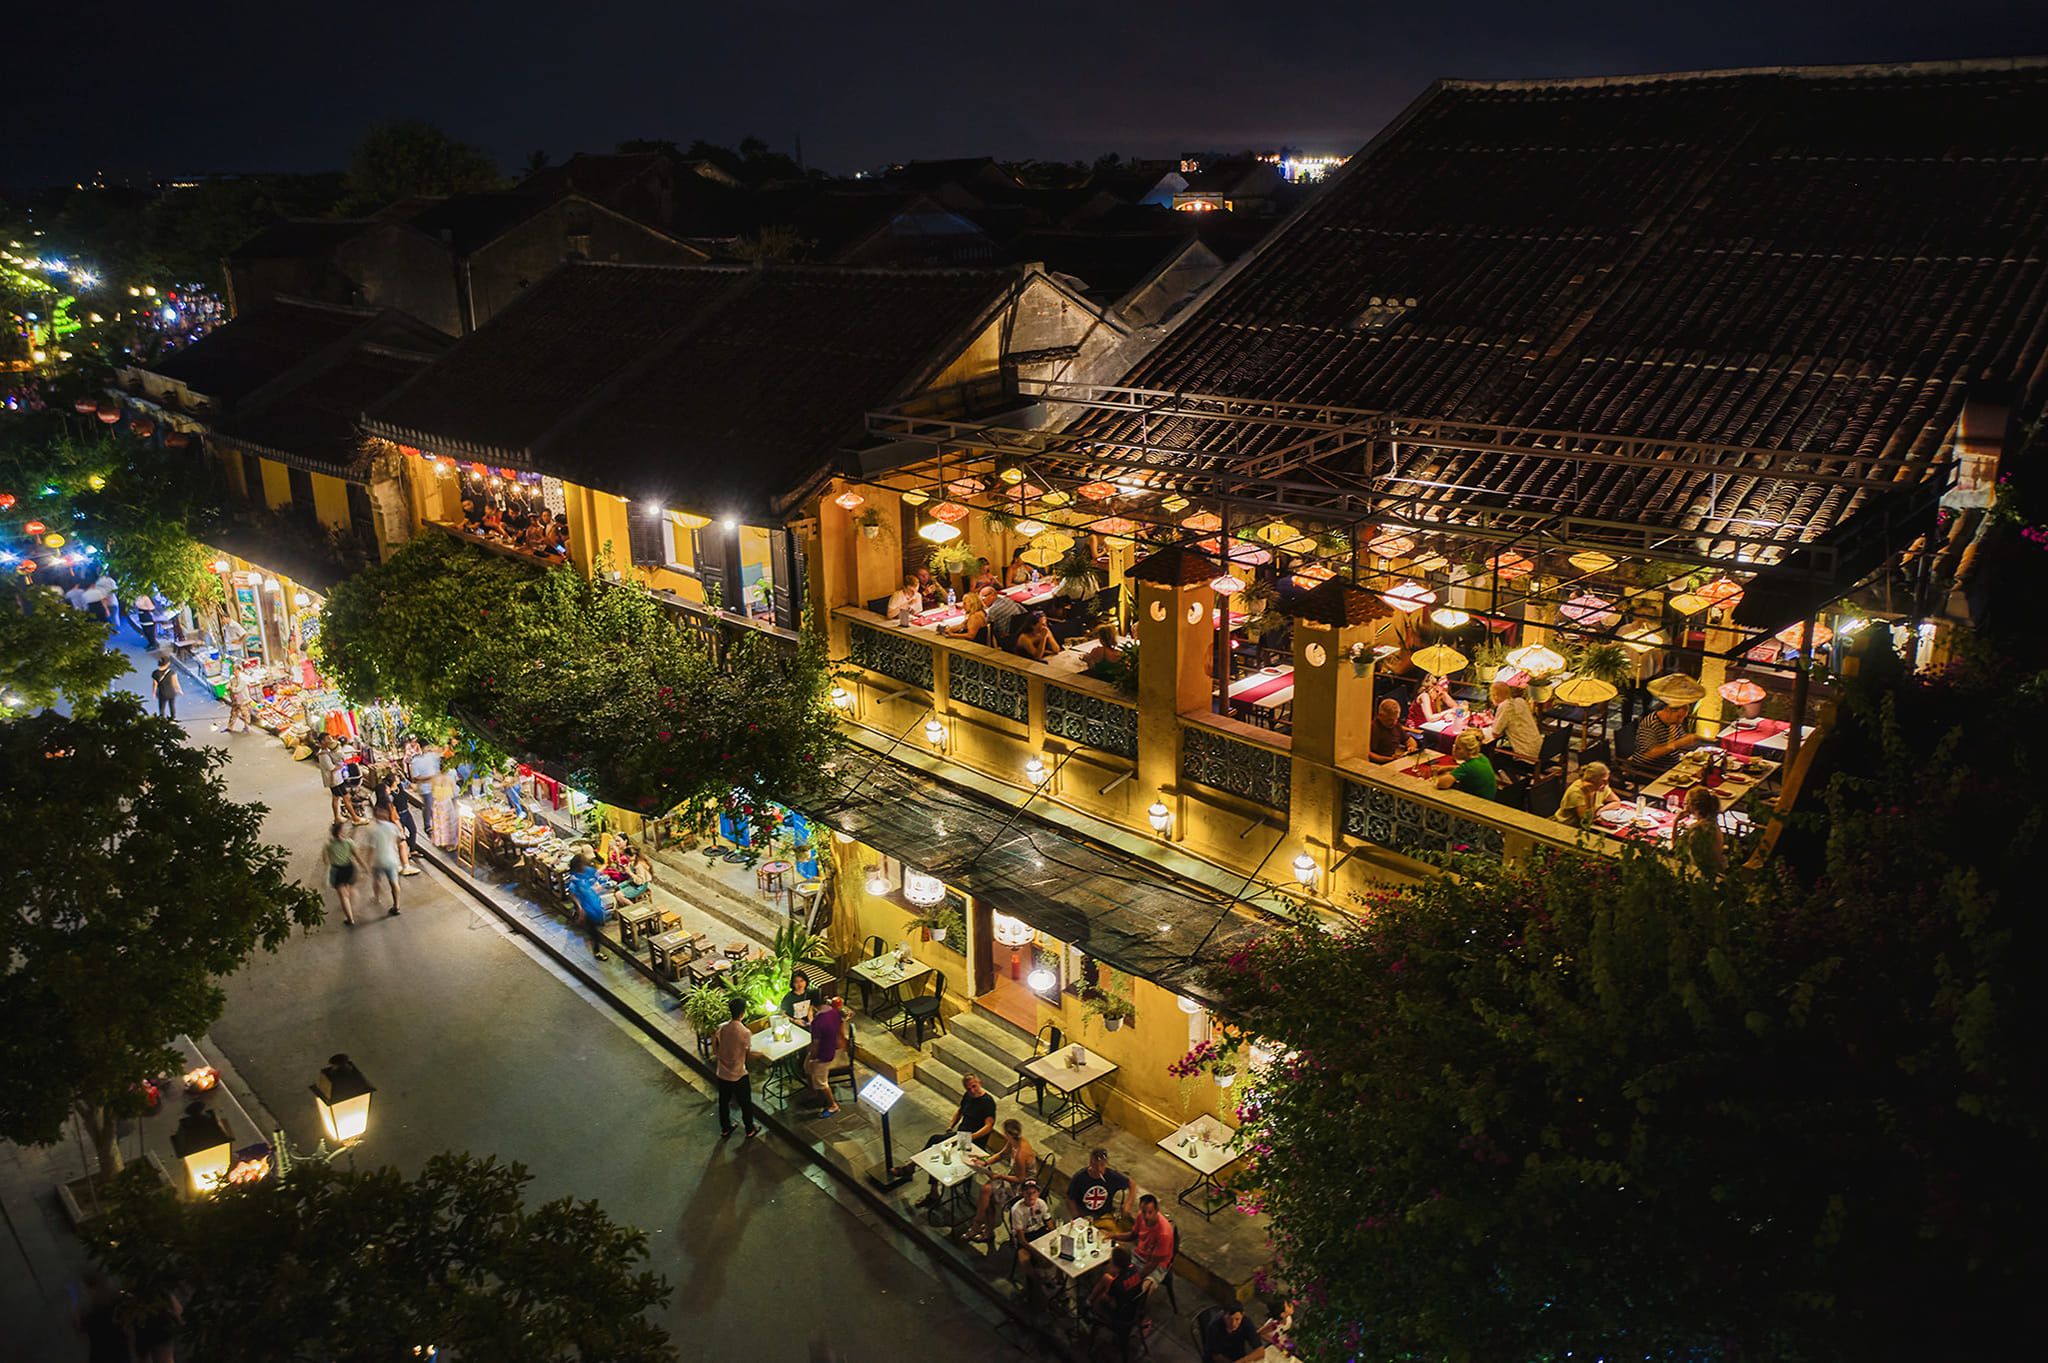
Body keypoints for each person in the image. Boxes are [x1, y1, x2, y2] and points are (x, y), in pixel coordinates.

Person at [906, 1074, 998, 1199]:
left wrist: (972, 1136)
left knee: (937, 1147)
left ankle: (913, 1170)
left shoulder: (987, 1102)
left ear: (980, 1083)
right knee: (936, 1144)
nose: (971, 1091)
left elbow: (988, 1126)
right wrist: (951, 1126)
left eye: (973, 1086)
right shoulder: (968, 1096)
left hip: (971, 1141)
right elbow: (960, 1111)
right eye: (968, 1089)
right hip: (960, 1135)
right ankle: (920, 1175)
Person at [960, 1117, 1036, 1242]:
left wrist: (1000, 1176)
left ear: (1006, 1133)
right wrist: (984, 1162)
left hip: (1023, 1187)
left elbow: (1021, 1179)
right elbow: (1002, 1154)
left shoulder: (1020, 1154)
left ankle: (977, 1226)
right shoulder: (1014, 1142)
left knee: (986, 1191)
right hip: (1014, 1179)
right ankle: (984, 1229)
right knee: (986, 1193)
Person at [714, 994, 762, 1139]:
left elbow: (716, 1047)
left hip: (722, 1073)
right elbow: (747, 1054)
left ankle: (725, 1127)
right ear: (743, 1013)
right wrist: (762, 1054)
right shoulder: (745, 1032)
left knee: (723, 1102)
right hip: (738, 1074)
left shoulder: (722, 1028)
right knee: (745, 1103)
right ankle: (749, 1128)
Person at [1112, 1192, 1177, 1287]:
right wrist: (1113, 1235)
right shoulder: (1140, 1216)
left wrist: (1135, 1280)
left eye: (1150, 1212)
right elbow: (1132, 1235)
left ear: (1156, 1210)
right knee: (1114, 1270)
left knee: (1144, 1290)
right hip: (1139, 1255)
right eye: (1143, 1212)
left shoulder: (1164, 1233)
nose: (1146, 1216)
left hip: (1157, 1264)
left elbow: (1153, 1264)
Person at [1087, 1246, 1152, 1339]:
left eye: (1111, 1261)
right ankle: (1089, 1301)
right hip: (1135, 1305)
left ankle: (1093, 1314)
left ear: (1114, 1264)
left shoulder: (1116, 1284)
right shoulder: (1133, 1268)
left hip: (1122, 1316)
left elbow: (1111, 1301)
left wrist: (1105, 1296)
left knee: (1101, 1297)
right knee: (1106, 1277)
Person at [1484, 676, 1542, 768]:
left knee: (1489, 757)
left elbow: (1496, 733)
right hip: (1539, 750)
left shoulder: (1505, 706)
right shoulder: (1520, 701)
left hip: (1526, 758)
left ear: (1495, 695)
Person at [1636, 696, 1703, 772]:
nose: (1680, 721)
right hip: (1651, 768)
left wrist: (1689, 741)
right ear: (1668, 711)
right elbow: (1649, 754)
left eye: (1683, 718)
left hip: (1673, 764)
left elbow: (1681, 740)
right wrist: (1676, 744)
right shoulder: (1651, 724)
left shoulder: (1674, 723)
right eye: (1679, 717)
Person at [1066, 1146, 1133, 1222]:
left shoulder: (1111, 1176)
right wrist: (1077, 1217)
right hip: (1084, 1217)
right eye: (1095, 1165)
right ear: (1090, 1163)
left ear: (1106, 1163)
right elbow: (1070, 1198)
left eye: (1102, 1165)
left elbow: (1131, 1184)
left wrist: (1128, 1204)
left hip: (1104, 1217)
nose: (1099, 1169)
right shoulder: (1079, 1177)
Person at [1555, 760, 1625, 829]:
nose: (1607, 784)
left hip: (1591, 823)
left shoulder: (1601, 786)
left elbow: (1616, 802)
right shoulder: (1577, 792)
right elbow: (1586, 821)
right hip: (1568, 827)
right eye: (1603, 780)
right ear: (1592, 780)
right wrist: (1589, 796)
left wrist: (1599, 812)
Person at [805, 995, 844, 1116]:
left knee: (821, 1081)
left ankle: (832, 1105)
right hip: (830, 1047)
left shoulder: (818, 1022)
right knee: (806, 1067)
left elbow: (816, 1045)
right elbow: (840, 1027)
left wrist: (812, 1056)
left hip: (823, 1054)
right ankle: (813, 1091)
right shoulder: (833, 1011)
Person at [566, 854, 611, 960]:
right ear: (578, 865)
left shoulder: (586, 870)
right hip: (587, 907)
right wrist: (580, 908)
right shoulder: (574, 878)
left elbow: (595, 874)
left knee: (598, 923)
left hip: (594, 902)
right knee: (594, 931)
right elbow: (572, 895)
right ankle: (597, 952)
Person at [364, 805, 405, 915]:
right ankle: (396, 905)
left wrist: (367, 863)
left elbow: (371, 849)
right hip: (391, 859)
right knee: (394, 882)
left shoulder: (374, 831)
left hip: (378, 860)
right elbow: (399, 840)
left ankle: (377, 897)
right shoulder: (393, 827)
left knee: (376, 879)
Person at [1437, 727, 1498, 799]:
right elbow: (1465, 769)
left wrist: (1447, 774)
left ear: (1469, 750)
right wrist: (1446, 768)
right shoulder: (1481, 757)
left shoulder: (1468, 767)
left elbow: (1442, 784)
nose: (1454, 750)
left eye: (1458, 748)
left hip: (1477, 802)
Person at [1683, 784, 1727, 875]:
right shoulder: (1712, 823)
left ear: (1693, 807)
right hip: (1719, 868)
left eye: (1687, 803)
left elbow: (1677, 848)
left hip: (1699, 871)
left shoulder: (1696, 829)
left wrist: (1675, 822)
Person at [1201, 1304, 1268, 1363]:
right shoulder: (1214, 1326)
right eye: (1229, 1319)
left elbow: (1260, 1351)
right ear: (1223, 1314)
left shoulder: (1246, 1322)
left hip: (1237, 1356)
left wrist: (1242, 1361)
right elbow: (1216, 1356)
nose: (1233, 1324)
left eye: (1237, 1319)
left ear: (1242, 1315)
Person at [324, 821, 360, 926]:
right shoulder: (349, 842)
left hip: (337, 870)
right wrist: (365, 867)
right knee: (350, 888)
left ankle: (350, 918)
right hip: (349, 868)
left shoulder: (328, 845)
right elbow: (357, 856)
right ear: (341, 832)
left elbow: (325, 860)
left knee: (343, 895)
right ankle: (353, 906)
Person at [1367, 697, 1415, 763]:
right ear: (1380, 716)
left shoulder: (1395, 724)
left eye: (1396, 719)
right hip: (1383, 764)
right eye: (1390, 720)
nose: (1394, 722)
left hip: (1397, 759)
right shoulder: (1374, 728)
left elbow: (1409, 739)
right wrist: (1389, 759)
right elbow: (1369, 754)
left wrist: (1411, 747)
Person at [224, 664, 253, 733]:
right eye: (233, 671)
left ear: (240, 671)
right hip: (235, 700)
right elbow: (227, 686)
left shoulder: (243, 680)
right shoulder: (232, 678)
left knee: (245, 713)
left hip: (243, 700)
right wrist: (229, 687)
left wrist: (231, 688)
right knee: (233, 713)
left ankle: (246, 726)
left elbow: (237, 689)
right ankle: (229, 727)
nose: (234, 673)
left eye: (236, 671)